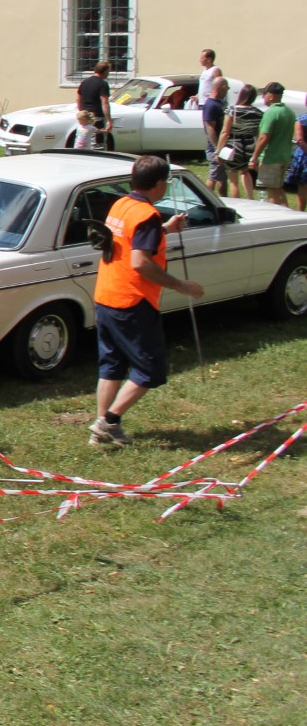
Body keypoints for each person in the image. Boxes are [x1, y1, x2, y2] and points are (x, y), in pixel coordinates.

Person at [89, 156, 204, 447]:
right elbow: (141, 262)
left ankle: (102, 430)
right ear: (159, 183)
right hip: (132, 301)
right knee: (150, 370)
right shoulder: (146, 215)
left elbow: (129, 242)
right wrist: (181, 285)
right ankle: (109, 421)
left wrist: (166, 229)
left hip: (106, 296)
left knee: (111, 365)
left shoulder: (121, 205)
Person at [252, 82, 294, 207]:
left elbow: (263, 137)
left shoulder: (271, 113)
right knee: (279, 189)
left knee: (272, 193)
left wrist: (254, 157)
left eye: (264, 94)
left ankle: (277, 218)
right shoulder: (289, 112)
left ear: (271, 96)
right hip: (284, 156)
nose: (263, 96)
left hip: (271, 158)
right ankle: (289, 217)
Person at [201, 76, 228, 189]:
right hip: (215, 149)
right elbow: (210, 128)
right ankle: (207, 200)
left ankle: (224, 200)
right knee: (213, 177)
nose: (227, 91)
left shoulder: (220, 103)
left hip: (221, 148)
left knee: (222, 178)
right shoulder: (211, 105)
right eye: (227, 88)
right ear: (223, 87)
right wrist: (217, 150)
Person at [76, 60, 112, 137]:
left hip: (86, 117)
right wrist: (109, 120)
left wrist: (82, 113)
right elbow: (105, 103)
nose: (108, 74)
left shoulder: (85, 82)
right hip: (97, 117)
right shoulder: (103, 84)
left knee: (85, 139)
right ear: (105, 71)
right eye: (108, 71)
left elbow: (78, 100)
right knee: (98, 143)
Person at [283, 111, 307, 212]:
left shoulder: (301, 119)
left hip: (304, 155)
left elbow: (299, 139)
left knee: (303, 186)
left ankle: (301, 211)